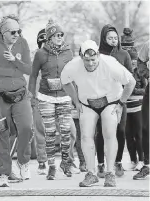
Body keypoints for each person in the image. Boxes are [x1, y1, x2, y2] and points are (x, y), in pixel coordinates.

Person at [61, 40, 136, 187]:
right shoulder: (73, 66)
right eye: (87, 60)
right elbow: (64, 81)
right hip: (87, 103)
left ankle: (110, 173)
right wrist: (75, 100)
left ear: (99, 56)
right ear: (81, 57)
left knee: (109, 133)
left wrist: (121, 103)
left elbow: (131, 82)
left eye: (93, 60)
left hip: (111, 101)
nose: (90, 63)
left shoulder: (110, 64)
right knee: (85, 135)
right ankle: (91, 173)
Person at [0, 15, 33, 187]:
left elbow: (29, 68)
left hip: (20, 94)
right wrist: (17, 69)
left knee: (27, 127)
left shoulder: (23, 43)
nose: (17, 34)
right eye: (13, 32)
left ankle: (23, 161)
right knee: (1, 134)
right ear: (3, 32)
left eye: (19, 31)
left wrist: (15, 61)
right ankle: (4, 173)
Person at [30, 28, 81, 175]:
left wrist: (76, 98)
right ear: (49, 37)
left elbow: (73, 76)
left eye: (61, 35)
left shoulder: (68, 53)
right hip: (46, 97)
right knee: (49, 133)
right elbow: (33, 76)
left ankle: (66, 163)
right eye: (56, 35)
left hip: (64, 97)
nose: (59, 37)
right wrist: (31, 95)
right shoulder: (40, 54)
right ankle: (50, 165)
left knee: (67, 132)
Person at [96, 24, 133, 178]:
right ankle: (101, 164)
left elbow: (130, 77)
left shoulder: (123, 54)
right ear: (104, 39)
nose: (113, 41)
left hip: (119, 99)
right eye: (109, 38)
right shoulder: (97, 55)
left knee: (121, 130)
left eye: (115, 38)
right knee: (102, 132)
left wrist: (123, 96)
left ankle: (118, 162)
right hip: (101, 99)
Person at [121, 28, 146, 171]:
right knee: (128, 135)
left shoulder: (140, 73)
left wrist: (133, 89)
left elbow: (145, 89)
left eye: (134, 61)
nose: (132, 63)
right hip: (125, 105)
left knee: (138, 134)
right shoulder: (122, 71)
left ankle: (142, 160)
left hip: (138, 106)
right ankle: (132, 160)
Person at [133, 40, 149, 180]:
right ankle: (147, 165)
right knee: (145, 127)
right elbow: (140, 62)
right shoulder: (148, 44)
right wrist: (147, 75)